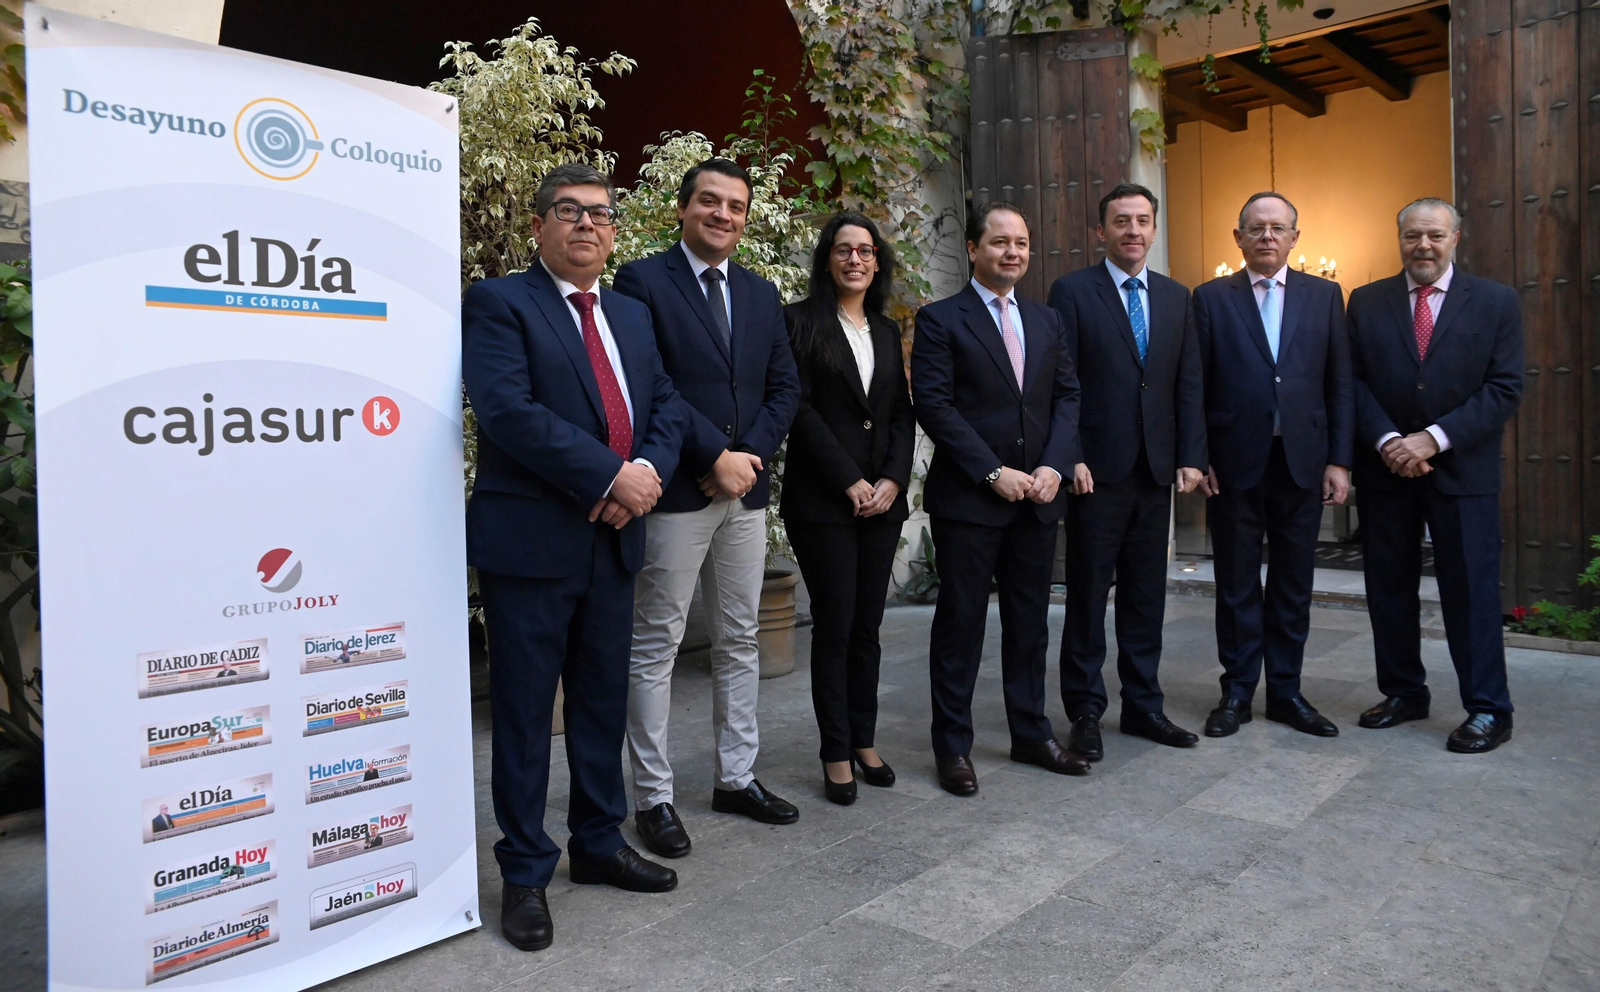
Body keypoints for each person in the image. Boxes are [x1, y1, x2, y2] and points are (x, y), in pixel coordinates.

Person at [462, 163, 686, 954]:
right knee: (526, 716)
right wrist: (606, 474)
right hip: (533, 546)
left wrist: (644, 478)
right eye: (569, 211)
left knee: (599, 702)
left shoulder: (629, 312)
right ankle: (524, 871)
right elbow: (506, 411)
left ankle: (597, 842)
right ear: (539, 226)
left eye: (601, 214)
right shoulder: (499, 303)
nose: (587, 225)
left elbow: (663, 404)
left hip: (615, 538)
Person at [613, 158, 802, 857]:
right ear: (683, 208)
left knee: (740, 638)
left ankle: (736, 777)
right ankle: (654, 799)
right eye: (710, 203)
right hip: (678, 492)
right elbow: (650, 383)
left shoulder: (759, 292)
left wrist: (746, 456)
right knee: (657, 644)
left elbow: (783, 386)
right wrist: (709, 458)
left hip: (745, 493)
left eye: (736, 206)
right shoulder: (641, 281)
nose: (724, 215)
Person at [910, 200, 1090, 796]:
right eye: (999, 242)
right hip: (971, 501)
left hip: (1038, 498)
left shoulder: (1046, 320)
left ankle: (1032, 733)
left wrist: (1052, 467)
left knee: (1030, 623)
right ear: (973, 250)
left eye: (1020, 243)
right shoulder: (940, 319)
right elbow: (934, 406)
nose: (1011, 252)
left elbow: (1067, 398)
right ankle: (953, 746)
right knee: (960, 625)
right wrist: (993, 472)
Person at [1347, 197, 1523, 753]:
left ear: (1456, 238)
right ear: (1398, 239)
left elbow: (1504, 387)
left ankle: (1489, 709)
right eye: (1412, 236)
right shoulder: (1366, 301)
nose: (1423, 246)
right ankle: (1403, 692)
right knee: (1389, 588)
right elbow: (1352, 382)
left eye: (1435, 236)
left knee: (1470, 593)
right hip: (1387, 472)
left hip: (1462, 472)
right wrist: (1389, 441)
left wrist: (1433, 438)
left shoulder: (1495, 302)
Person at [1046, 183, 1208, 760]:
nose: (1133, 230)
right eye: (1121, 221)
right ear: (1101, 231)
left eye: (1142, 220)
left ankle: (1144, 706)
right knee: (1089, 596)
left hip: (1155, 471)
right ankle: (1086, 710)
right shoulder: (1071, 292)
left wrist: (1191, 455)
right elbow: (1060, 383)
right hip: (1096, 471)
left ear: (1155, 229)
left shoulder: (1175, 296)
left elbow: (1187, 381)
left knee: (1147, 596)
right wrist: (1069, 457)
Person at [1193, 192, 1353, 739]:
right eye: (1255, 228)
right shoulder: (1211, 298)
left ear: (1294, 238)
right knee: (1236, 583)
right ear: (1237, 238)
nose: (1267, 236)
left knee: (1293, 584)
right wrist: (1199, 456)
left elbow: (1340, 384)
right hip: (1233, 465)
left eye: (1278, 228)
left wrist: (1340, 460)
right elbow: (1196, 385)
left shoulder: (1326, 296)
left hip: (1303, 464)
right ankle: (1236, 693)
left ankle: (1286, 693)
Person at [781, 213, 915, 805]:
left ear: (877, 261)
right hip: (824, 503)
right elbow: (799, 411)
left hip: (881, 504)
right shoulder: (800, 322)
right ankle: (835, 749)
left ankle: (864, 738)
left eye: (865, 250)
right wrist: (850, 481)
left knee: (868, 629)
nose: (855, 259)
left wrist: (890, 479)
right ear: (828, 259)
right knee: (834, 628)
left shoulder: (887, 331)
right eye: (843, 250)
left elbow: (901, 416)